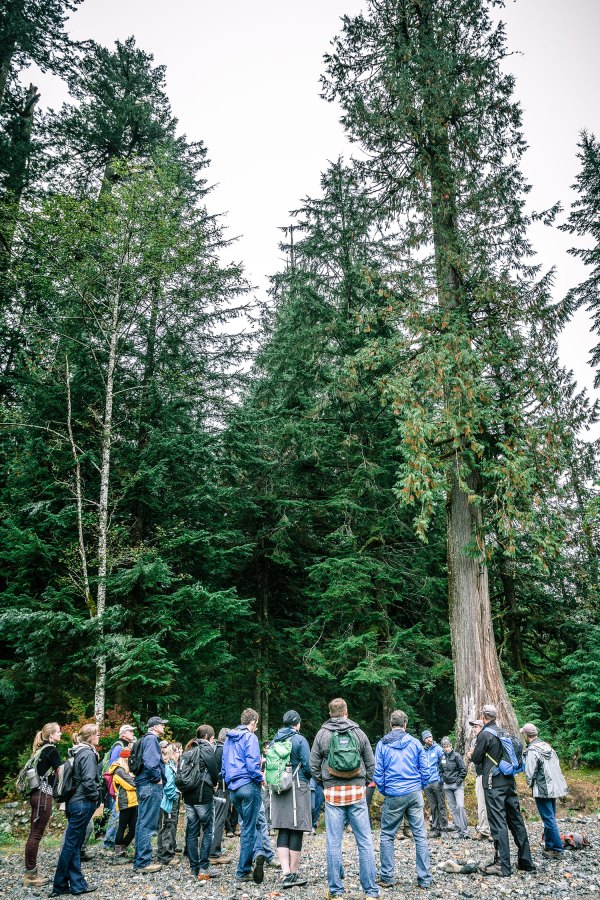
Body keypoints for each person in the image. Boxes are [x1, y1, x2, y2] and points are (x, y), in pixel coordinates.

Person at [310, 697, 379, 900]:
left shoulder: (322, 734)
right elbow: (371, 764)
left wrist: (325, 784)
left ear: (330, 713)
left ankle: (337, 891)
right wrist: (363, 783)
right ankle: (371, 891)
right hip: (357, 792)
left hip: (332, 795)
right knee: (365, 841)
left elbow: (313, 765)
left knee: (333, 842)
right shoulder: (358, 733)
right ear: (346, 712)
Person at [471, 704, 535, 877]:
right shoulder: (504, 733)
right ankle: (526, 861)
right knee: (516, 821)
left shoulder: (485, 734)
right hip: (509, 782)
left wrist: (473, 753)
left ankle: (503, 865)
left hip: (493, 783)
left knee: (498, 823)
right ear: (496, 717)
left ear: (484, 716)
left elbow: (476, 759)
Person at [374, 709, 432, 891]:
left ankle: (387, 876)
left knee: (387, 834)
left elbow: (378, 773)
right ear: (405, 725)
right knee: (420, 835)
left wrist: (385, 790)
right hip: (414, 792)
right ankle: (425, 879)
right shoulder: (415, 743)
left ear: (391, 724)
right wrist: (420, 786)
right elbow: (426, 770)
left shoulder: (382, 744)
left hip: (394, 793)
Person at [50, 724, 100, 897]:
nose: (99, 737)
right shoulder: (87, 753)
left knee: (74, 844)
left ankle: (76, 884)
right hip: (82, 802)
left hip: (73, 802)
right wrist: (95, 798)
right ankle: (59, 885)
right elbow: (88, 780)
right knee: (71, 845)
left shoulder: (76, 751)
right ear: (91, 737)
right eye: (97, 734)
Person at [221, 708, 265, 884]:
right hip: (248, 785)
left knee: (247, 825)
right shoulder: (250, 737)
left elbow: (223, 766)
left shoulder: (228, 740)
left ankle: (258, 852)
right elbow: (252, 762)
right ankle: (243, 870)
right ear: (253, 722)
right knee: (249, 827)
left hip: (233, 788)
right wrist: (259, 779)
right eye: (256, 724)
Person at [270, 710, 312, 888]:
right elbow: (308, 765)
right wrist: (308, 779)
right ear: (297, 724)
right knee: (296, 829)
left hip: (279, 787)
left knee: (283, 829)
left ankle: (285, 872)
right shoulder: (300, 740)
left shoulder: (275, 740)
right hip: (297, 785)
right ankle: (293, 873)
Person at [23, 722, 62, 887]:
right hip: (43, 796)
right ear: (51, 735)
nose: (60, 734)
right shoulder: (51, 750)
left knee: (34, 833)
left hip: (36, 795)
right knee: (36, 835)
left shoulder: (40, 750)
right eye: (58, 732)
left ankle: (31, 872)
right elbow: (61, 774)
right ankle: (30, 875)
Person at [521, 722, 568, 860]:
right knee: (551, 817)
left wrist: (530, 785)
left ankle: (556, 849)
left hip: (542, 788)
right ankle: (550, 844)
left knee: (548, 818)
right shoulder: (547, 746)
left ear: (526, 735)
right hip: (553, 787)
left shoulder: (532, 751)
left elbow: (529, 772)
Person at [182, 724, 220, 881]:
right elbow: (213, 770)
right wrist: (215, 783)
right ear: (206, 737)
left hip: (188, 795)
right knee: (207, 830)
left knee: (192, 831)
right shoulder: (206, 749)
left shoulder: (188, 750)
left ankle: (193, 868)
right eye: (212, 738)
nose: (213, 741)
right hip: (203, 795)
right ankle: (204, 868)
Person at [133, 715, 168, 873]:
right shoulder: (152, 740)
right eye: (161, 724)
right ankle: (143, 862)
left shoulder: (143, 739)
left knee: (142, 822)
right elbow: (150, 762)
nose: (164, 727)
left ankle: (140, 860)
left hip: (143, 784)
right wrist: (158, 779)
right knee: (147, 824)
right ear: (154, 727)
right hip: (150, 785)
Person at [102, 723, 136, 850]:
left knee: (121, 817)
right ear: (123, 733)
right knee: (117, 816)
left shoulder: (126, 745)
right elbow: (114, 766)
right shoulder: (119, 746)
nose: (133, 733)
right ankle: (109, 843)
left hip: (126, 788)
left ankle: (117, 844)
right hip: (119, 787)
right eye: (130, 731)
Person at [465, 719, 492, 842]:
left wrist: (472, 755)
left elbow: (477, 756)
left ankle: (487, 830)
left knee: (487, 803)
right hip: (479, 774)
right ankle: (484, 829)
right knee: (481, 804)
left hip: (486, 774)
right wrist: (471, 755)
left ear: (482, 727)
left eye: (476, 726)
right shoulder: (474, 741)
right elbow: (472, 757)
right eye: (473, 727)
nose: (474, 729)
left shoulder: (485, 738)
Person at [109, 748, 138, 862]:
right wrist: (136, 780)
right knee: (122, 827)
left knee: (134, 828)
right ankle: (118, 854)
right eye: (130, 758)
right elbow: (131, 784)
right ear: (125, 758)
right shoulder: (119, 770)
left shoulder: (126, 768)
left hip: (133, 801)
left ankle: (123, 848)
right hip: (125, 801)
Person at [438, 737, 468, 838]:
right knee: (453, 809)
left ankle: (465, 831)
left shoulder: (456, 756)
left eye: (448, 746)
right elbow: (440, 770)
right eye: (445, 747)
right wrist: (443, 779)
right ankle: (458, 830)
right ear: (442, 747)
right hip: (447, 786)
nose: (447, 748)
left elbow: (463, 769)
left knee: (460, 806)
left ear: (451, 746)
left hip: (457, 785)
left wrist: (458, 781)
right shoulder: (442, 757)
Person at [209, 728, 231, 863]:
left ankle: (212, 848)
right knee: (219, 819)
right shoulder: (224, 751)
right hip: (222, 787)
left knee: (214, 817)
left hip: (214, 786)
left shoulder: (213, 748)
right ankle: (214, 852)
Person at [421, 731, 448, 837]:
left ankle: (444, 828)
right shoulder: (422, 751)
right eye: (426, 737)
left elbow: (444, 764)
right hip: (427, 784)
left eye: (430, 736)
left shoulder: (438, 749)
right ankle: (435, 828)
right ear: (424, 740)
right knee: (433, 806)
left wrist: (442, 778)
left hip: (437, 781)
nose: (429, 739)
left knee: (441, 805)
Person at [158, 742, 181, 866]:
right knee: (169, 825)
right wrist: (174, 797)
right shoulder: (168, 767)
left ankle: (164, 851)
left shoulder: (171, 765)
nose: (179, 753)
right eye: (177, 751)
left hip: (170, 798)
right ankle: (166, 855)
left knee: (167, 825)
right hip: (169, 800)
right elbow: (168, 785)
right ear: (172, 753)